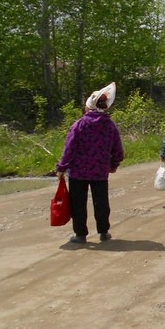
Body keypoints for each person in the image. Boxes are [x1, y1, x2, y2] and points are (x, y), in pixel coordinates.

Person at [56, 82, 124, 244]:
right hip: (100, 171)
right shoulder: (110, 125)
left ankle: (81, 234)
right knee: (101, 202)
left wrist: (62, 167)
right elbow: (118, 149)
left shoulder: (79, 124)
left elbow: (69, 147)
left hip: (78, 172)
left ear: (89, 106)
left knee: (78, 203)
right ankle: (104, 232)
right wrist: (114, 165)